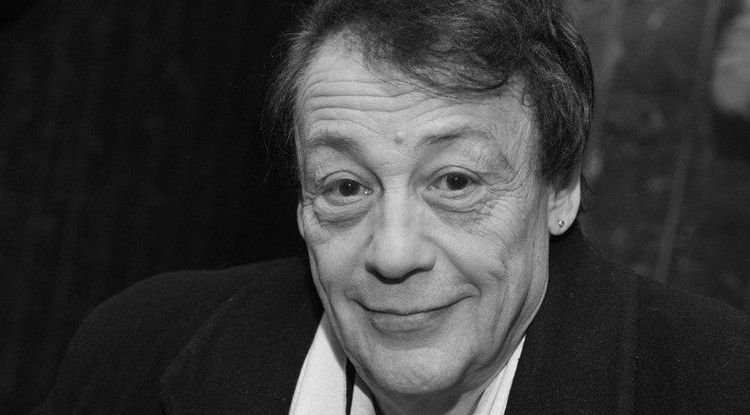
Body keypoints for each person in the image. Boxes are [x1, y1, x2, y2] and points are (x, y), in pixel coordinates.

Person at [36, 0, 750, 413]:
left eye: (456, 183)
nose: (394, 252)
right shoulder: (134, 353)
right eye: (346, 187)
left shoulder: (715, 386)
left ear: (560, 189)